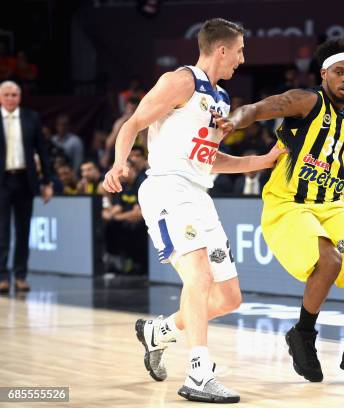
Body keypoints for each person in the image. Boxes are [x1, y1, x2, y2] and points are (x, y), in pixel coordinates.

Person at [102, 18, 282, 403]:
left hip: (199, 195)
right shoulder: (180, 81)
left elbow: (211, 160)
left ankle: (158, 333)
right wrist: (119, 164)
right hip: (167, 188)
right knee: (198, 277)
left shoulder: (222, 100)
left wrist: (262, 160)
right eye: (240, 51)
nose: (242, 58)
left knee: (230, 297)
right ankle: (199, 373)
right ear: (221, 50)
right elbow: (132, 124)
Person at [221, 39, 344, 382]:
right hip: (289, 205)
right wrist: (235, 119)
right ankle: (303, 335)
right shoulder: (308, 101)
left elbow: (340, 163)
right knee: (331, 260)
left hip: (329, 205)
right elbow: (261, 108)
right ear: (324, 74)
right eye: (340, 72)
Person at [0, 80, 53, 293]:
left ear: (20, 97)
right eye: (7, 94)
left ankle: (20, 276)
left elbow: (42, 151)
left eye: (14, 95)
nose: (11, 98)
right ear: (0, 97)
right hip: (2, 181)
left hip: (24, 180)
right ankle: (2, 276)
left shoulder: (31, 117)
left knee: (23, 231)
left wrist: (47, 181)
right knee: (2, 231)